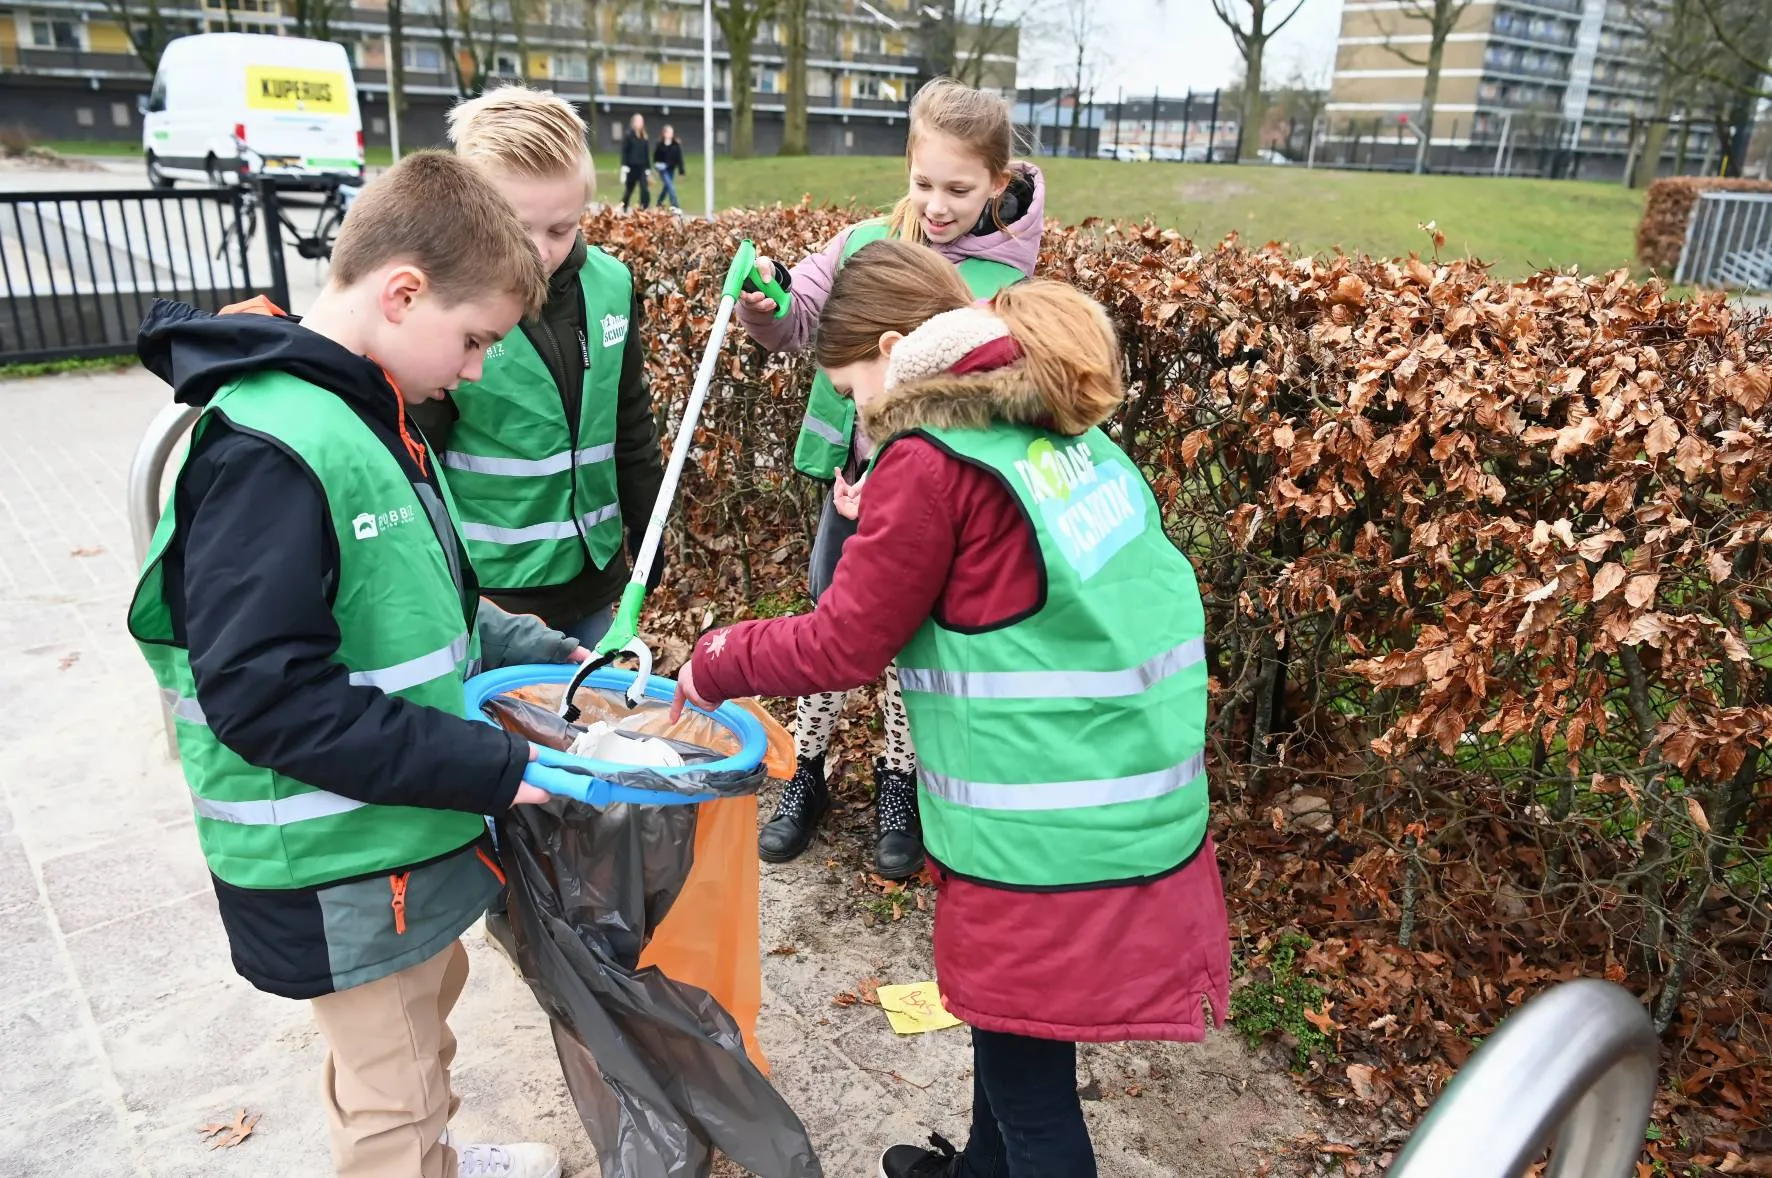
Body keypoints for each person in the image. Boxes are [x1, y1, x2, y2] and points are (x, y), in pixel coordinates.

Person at [674, 240, 1232, 1178]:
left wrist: (717, 660)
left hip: (1034, 832)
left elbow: (844, 645)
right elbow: (1002, 574)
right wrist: (876, 519)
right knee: (1008, 1018)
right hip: (1109, 789)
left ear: (894, 350)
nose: (856, 413)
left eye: (850, 388)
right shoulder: (1047, 418)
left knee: (1033, 1087)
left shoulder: (930, 465)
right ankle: (979, 1167)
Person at [128, 152, 583, 1178]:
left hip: (392, 830)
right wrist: (492, 766)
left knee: (419, 1030)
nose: (473, 369)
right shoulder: (277, 444)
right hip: (338, 854)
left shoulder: (362, 416)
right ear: (403, 290)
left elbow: (434, 614)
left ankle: (436, 1155)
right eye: (473, 341)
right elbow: (266, 694)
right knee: (392, 1079)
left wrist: (558, 658)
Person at [734, 77, 1047, 879]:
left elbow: (997, 405)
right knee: (835, 615)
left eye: (959, 189)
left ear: (998, 185)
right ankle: (806, 771)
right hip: (851, 484)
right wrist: (767, 304)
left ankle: (899, 784)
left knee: (916, 635)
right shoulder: (865, 242)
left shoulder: (1008, 284)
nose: (936, 206)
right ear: (905, 166)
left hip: (935, 499)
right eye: (923, 183)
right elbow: (803, 313)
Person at [426, 85, 665, 651]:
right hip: (492, 597)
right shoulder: (444, 308)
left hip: (594, 579)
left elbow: (629, 418)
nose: (540, 251)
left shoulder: (611, 285)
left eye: (562, 228)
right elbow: (415, 460)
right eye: (516, 226)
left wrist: (648, 524)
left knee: (586, 728)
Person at [620, 112, 651, 210]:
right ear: (633, 122)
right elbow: (624, 151)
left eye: (642, 121)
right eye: (638, 121)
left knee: (644, 189)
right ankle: (624, 206)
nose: (641, 123)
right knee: (629, 190)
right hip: (631, 167)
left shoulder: (644, 136)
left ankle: (643, 208)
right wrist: (624, 166)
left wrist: (648, 168)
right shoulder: (629, 135)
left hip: (642, 167)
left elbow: (646, 153)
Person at [653, 124, 686, 210]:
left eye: (671, 132)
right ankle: (675, 204)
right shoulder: (660, 144)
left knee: (666, 187)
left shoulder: (675, 145)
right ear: (664, 133)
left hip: (671, 168)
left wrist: (681, 171)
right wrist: (657, 165)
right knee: (670, 185)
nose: (670, 134)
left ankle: (659, 202)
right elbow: (656, 157)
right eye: (668, 132)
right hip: (663, 169)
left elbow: (679, 158)